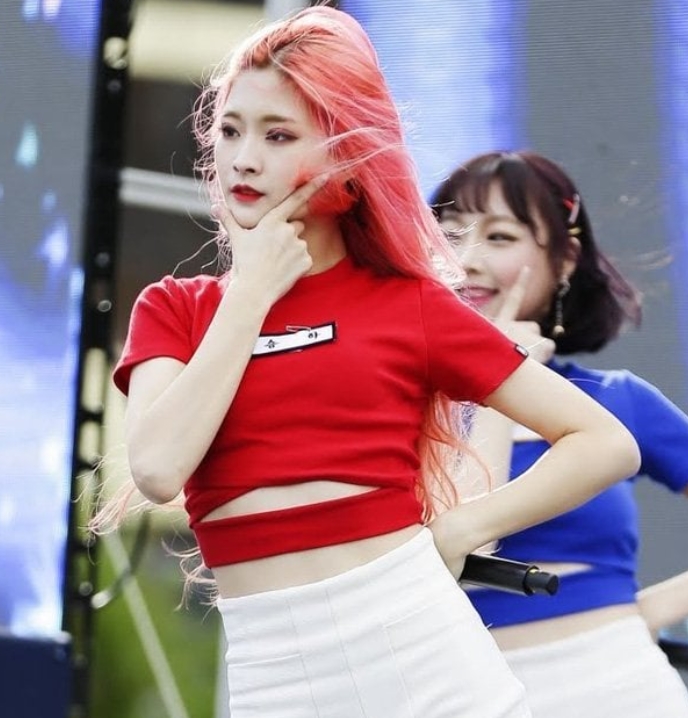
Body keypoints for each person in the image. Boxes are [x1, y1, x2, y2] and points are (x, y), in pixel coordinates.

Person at [109, 9, 641, 717]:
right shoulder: (176, 309)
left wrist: (462, 528)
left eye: (278, 135)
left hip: (421, 656)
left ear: (344, 155)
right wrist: (252, 293)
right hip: (272, 676)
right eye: (230, 131)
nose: (244, 158)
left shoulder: (406, 304)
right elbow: (157, 468)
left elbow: (605, 441)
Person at [430, 149, 688, 718]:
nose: (466, 260)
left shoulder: (616, 400)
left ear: (564, 259)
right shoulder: (405, 409)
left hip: (621, 686)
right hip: (465, 693)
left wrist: (645, 611)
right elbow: (470, 539)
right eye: (449, 235)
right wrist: (503, 369)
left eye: (499, 237)